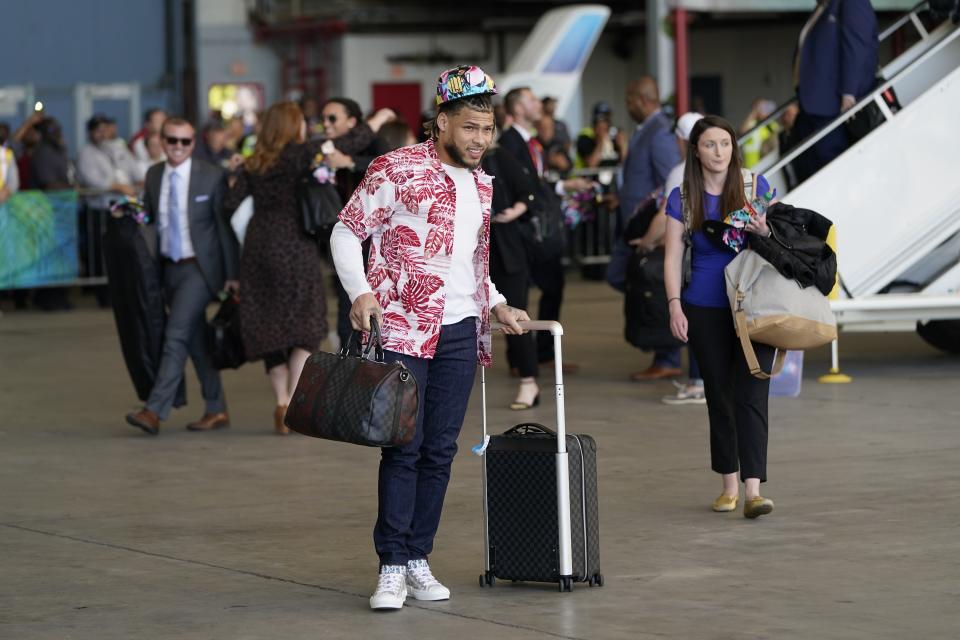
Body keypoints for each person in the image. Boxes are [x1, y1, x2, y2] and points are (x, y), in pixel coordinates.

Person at [330, 64, 528, 611]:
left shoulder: (481, 182)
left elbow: (469, 262)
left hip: (462, 331)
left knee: (440, 451)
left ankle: (419, 557)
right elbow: (347, 230)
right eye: (470, 128)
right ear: (441, 122)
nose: (480, 140)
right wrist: (359, 293)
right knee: (404, 449)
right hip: (402, 328)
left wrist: (497, 304)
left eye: (487, 130)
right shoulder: (394, 168)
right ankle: (391, 565)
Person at [663, 115, 777, 519]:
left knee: (753, 393)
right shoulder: (683, 197)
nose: (719, 152)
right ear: (696, 149)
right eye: (710, 144)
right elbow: (673, 256)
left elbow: (777, 240)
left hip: (753, 305)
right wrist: (675, 304)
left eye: (725, 144)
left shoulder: (753, 185)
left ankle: (753, 490)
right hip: (705, 307)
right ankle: (728, 484)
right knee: (719, 395)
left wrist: (763, 230)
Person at [125, 117, 240, 435]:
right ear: (161, 141)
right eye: (171, 140)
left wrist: (232, 274)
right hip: (167, 269)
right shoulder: (153, 174)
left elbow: (223, 228)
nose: (177, 147)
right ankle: (216, 409)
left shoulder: (211, 175)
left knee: (175, 335)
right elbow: (149, 219)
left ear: (193, 143)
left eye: (184, 142)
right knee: (194, 339)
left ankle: (154, 410)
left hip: (201, 270)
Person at [223, 102, 329, 435]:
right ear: (292, 126)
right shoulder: (300, 155)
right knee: (306, 326)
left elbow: (229, 203)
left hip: (258, 246)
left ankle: (281, 401)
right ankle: (293, 406)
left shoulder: (252, 163)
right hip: (294, 244)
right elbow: (345, 143)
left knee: (271, 327)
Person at [500, 87, 589, 372]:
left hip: (536, 230)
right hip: (522, 232)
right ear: (516, 109)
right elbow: (518, 187)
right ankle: (522, 360)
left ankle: (540, 354)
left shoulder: (530, 142)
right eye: (531, 100)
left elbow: (534, 183)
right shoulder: (509, 144)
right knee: (519, 295)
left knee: (551, 286)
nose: (539, 104)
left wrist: (563, 186)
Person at [629, 111, 706, 404]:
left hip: (689, 258)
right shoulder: (719, 172)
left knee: (694, 318)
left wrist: (646, 243)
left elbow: (665, 217)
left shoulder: (681, 172)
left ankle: (698, 382)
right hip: (712, 258)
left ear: (681, 140)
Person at [612, 76, 681, 380]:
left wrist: (662, 230)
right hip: (633, 226)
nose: (627, 107)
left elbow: (671, 185)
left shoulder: (660, 133)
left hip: (651, 230)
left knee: (652, 287)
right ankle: (662, 348)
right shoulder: (646, 131)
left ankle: (668, 355)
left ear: (642, 100)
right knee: (630, 281)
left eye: (629, 101)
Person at [792, 0, 878, 182]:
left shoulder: (852, 3)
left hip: (833, 107)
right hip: (812, 106)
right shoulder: (824, 5)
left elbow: (855, 46)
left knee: (830, 171)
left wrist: (849, 93)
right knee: (809, 170)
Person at [482, 140, 540, 409]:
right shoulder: (448, 160)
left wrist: (510, 214)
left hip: (505, 249)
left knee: (516, 315)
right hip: (468, 250)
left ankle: (529, 381)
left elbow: (530, 192)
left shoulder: (499, 155)